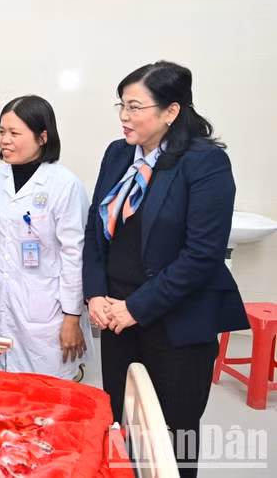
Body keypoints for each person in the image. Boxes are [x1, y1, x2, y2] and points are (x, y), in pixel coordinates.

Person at [82, 61, 249, 477]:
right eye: (121, 105)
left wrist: (135, 308)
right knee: (121, 426)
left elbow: (201, 255)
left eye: (135, 106)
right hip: (117, 317)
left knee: (172, 440)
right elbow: (96, 228)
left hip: (175, 323)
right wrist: (95, 293)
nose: (124, 115)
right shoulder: (118, 153)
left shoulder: (204, 163)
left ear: (171, 111)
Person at [0, 95, 91, 380]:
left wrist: (72, 319)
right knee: (2, 382)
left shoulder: (64, 185)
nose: (4, 140)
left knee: (46, 390)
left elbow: (75, 255)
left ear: (42, 136)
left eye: (14, 133)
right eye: (1, 131)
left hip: (48, 310)